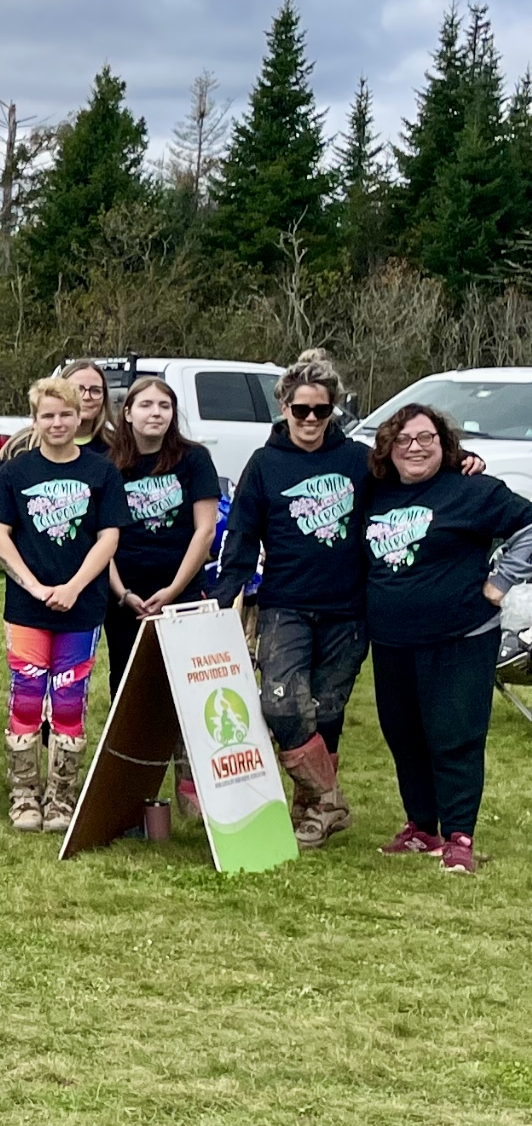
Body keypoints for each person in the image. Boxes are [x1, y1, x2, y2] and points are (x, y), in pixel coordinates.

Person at [360, 406, 532, 875]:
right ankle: (421, 827)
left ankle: (459, 836)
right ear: (387, 448)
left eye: (425, 437)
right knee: (404, 735)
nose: (414, 447)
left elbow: (528, 526)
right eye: (403, 439)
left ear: (444, 443)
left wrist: (501, 582)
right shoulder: (375, 492)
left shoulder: (472, 491)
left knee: (454, 735)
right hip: (393, 640)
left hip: (459, 637)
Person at [211, 359, 371, 849]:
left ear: (333, 410)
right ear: (284, 407)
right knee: (279, 703)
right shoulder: (264, 464)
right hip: (285, 604)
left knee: (325, 710)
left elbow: (418, 473)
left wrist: (462, 460)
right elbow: (241, 536)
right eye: (300, 409)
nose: (310, 419)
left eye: (321, 410)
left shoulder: (360, 460)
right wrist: (220, 598)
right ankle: (329, 799)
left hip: (349, 607)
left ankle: (312, 813)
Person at [0, 376, 127, 834]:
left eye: (66, 413)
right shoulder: (15, 472)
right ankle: (24, 795)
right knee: (26, 697)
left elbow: (109, 537)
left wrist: (74, 586)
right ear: (35, 419)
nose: (57, 422)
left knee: (68, 702)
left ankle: (61, 797)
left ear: (79, 416)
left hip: (81, 608)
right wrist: (30, 583)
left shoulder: (100, 472)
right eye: (48, 415)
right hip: (27, 608)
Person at [102, 378, 219, 693]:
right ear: (127, 414)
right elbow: (101, 539)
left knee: (189, 685)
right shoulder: (108, 464)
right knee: (129, 685)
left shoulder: (195, 459)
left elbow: (205, 530)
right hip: (126, 596)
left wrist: (173, 591)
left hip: (184, 591)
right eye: (146, 405)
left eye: (164, 406)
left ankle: (181, 745)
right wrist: (122, 594)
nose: (156, 413)